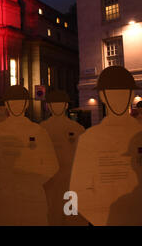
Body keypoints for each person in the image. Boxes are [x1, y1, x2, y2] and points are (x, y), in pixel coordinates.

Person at [70, 66, 142, 225]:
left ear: (132, 96)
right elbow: (77, 192)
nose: (119, 98)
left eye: (124, 93)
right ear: (102, 96)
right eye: (112, 93)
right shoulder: (89, 139)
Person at [0, 85, 58, 226]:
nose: (16, 106)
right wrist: (9, 180)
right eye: (12, 102)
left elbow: (52, 165)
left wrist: (31, 182)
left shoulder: (38, 131)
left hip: (32, 195)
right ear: (6, 105)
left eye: (20, 102)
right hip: (8, 194)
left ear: (26, 104)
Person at [40, 90, 87, 226]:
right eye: (54, 104)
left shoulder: (76, 128)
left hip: (69, 181)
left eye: (60, 104)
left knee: (69, 216)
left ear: (66, 106)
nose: (57, 107)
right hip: (51, 181)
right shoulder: (41, 129)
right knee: (54, 215)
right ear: (48, 106)